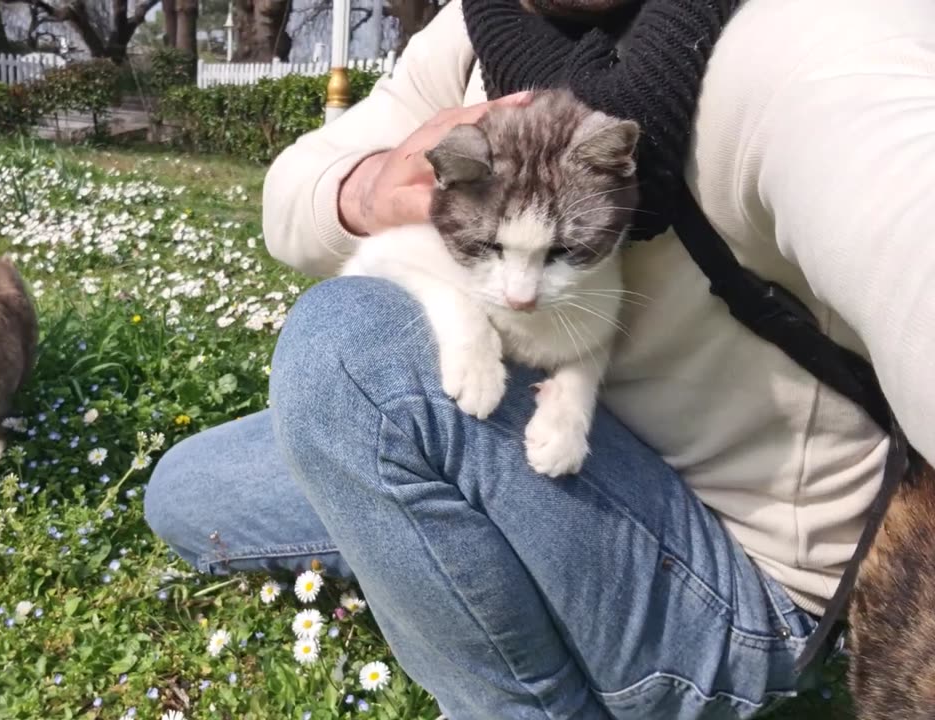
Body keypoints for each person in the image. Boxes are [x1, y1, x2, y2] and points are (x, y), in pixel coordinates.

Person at [145, 0, 935, 717]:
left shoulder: (812, 40)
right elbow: (293, 193)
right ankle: (462, 546)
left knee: (350, 353)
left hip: (736, 577)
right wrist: (370, 184)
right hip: (544, 431)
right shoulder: (474, 33)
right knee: (191, 490)